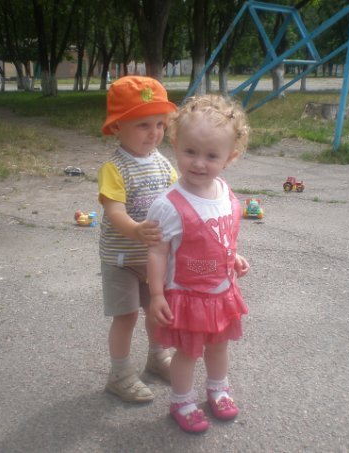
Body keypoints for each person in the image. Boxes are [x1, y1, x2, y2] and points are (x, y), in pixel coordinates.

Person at [146, 94, 250, 433]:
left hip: (221, 293)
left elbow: (221, 234)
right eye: (190, 151)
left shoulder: (224, 191)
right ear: (176, 144)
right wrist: (157, 295)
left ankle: (218, 389)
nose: (199, 163)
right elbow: (157, 252)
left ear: (230, 157)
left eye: (211, 156)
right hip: (188, 296)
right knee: (188, 353)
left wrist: (233, 256)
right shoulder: (168, 205)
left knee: (219, 346)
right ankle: (182, 401)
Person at [98, 75, 178, 403]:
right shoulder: (114, 167)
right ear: (118, 126)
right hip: (121, 260)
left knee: (157, 312)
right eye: (143, 125)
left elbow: (178, 200)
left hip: (154, 259)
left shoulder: (163, 163)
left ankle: (158, 358)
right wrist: (134, 229)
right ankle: (119, 374)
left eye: (160, 124)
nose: (154, 133)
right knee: (127, 316)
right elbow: (114, 210)